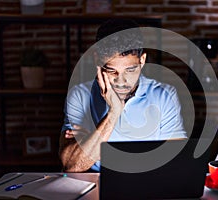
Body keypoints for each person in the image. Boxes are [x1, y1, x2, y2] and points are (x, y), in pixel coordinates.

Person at [59, 19, 187, 172]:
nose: (121, 81)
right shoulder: (79, 95)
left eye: (130, 70)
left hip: (145, 185)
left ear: (142, 60)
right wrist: (114, 112)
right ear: (97, 60)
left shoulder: (166, 95)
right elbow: (71, 165)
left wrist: (96, 150)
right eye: (112, 71)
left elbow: (177, 162)